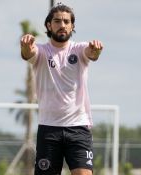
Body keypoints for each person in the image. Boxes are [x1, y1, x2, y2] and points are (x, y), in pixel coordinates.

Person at [20, 3, 103, 175]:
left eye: (67, 21)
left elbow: (91, 54)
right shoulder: (42, 52)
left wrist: (95, 51)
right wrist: (26, 47)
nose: (62, 25)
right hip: (49, 129)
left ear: (72, 26)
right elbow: (29, 53)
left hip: (79, 128)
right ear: (49, 25)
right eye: (57, 21)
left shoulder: (79, 49)